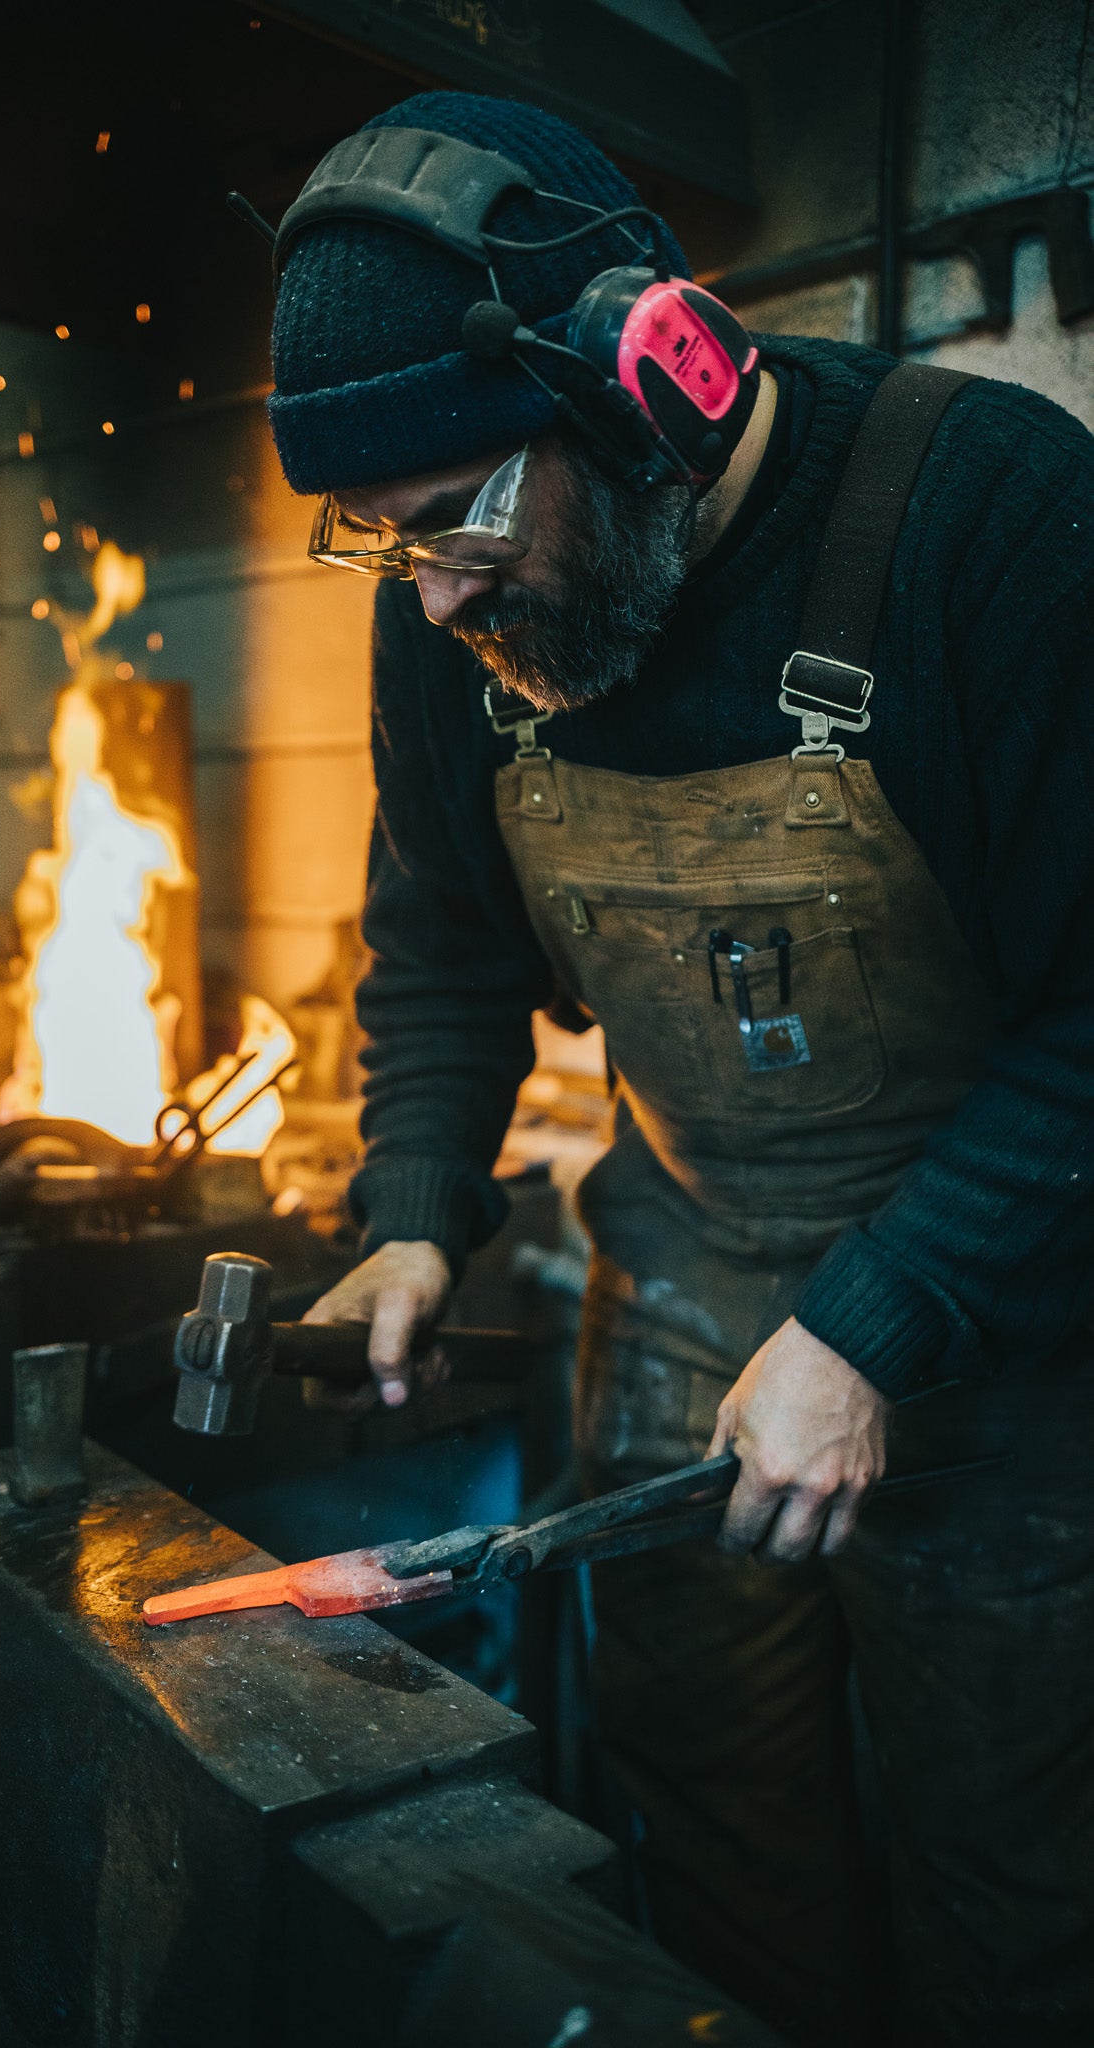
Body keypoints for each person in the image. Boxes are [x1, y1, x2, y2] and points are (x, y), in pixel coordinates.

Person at [257, 89, 1094, 2048]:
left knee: (1009, 1866)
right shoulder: (447, 611)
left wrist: (877, 1322)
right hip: (682, 1293)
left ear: (654, 387)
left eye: (458, 510)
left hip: (998, 1319)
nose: (433, 591)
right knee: (714, 1840)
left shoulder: (983, 520)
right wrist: (412, 1206)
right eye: (375, 542)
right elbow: (443, 943)